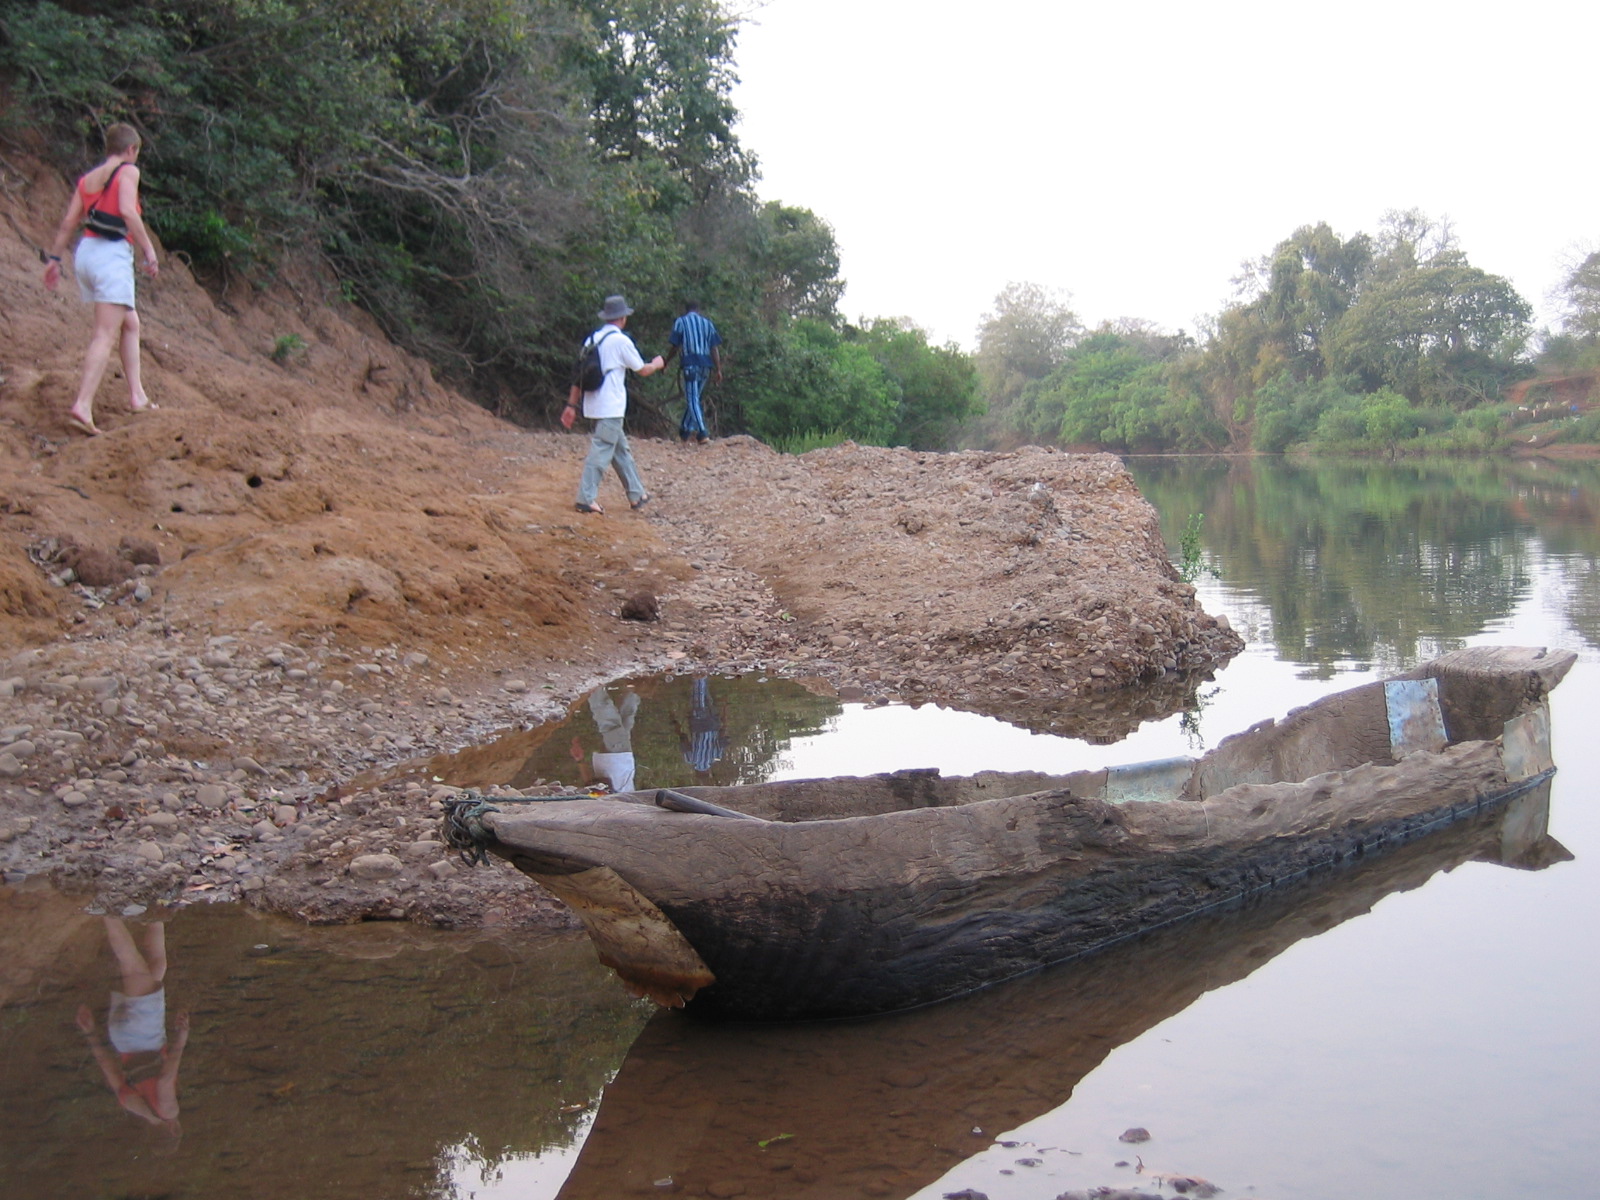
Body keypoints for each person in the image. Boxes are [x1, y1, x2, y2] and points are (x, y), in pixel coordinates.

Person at [40, 123, 161, 437]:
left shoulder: (87, 179)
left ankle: (138, 396)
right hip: (111, 256)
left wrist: (54, 259)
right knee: (105, 334)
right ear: (131, 150)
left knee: (130, 323)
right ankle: (82, 404)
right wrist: (148, 249)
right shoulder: (128, 172)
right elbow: (126, 211)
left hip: (86, 253)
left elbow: (70, 222)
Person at [75, 917, 189, 1148]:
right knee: (155, 969)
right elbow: (108, 1067)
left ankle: (107, 910)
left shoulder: (168, 1113)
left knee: (133, 968)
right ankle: (156, 912)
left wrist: (182, 1039)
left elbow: (166, 1079)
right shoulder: (133, 1105)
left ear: (174, 1130)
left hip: (144, 1034)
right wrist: (90, 1034)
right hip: (122, 1038)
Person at [566, 295, 664, 515]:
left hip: (594, 402)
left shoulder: (593, 339)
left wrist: (571, 405)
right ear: (622, 318)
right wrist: (657, 363)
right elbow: (643, 369)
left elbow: (577, 375)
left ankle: (637, 494)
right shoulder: (620, 341)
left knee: (620, 449)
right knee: (601, 450)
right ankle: (585, 498)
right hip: (612, 404)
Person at [662, 300, 723, 444]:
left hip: (690, 364)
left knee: (692, 399)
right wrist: (718, 369)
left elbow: (675, 346)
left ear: (686, 310)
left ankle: (702, 433)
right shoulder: (708, 324)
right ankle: (684, 431)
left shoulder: (681, 322)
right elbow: (714, 348)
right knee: (695, 398)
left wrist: (666, 362)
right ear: (698, 310)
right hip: (705, 366)